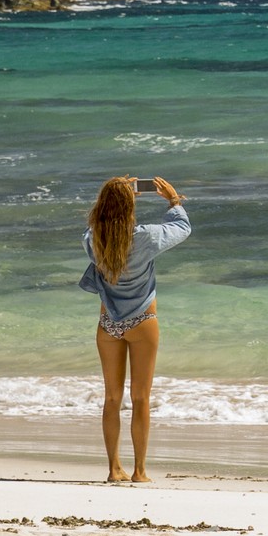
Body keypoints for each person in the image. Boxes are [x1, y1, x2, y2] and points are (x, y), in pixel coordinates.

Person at [81, 175, 189, 483]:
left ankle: (114, 468)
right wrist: (174, 201)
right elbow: (183, 228)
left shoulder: (93, 240)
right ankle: (140, 471)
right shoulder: (146, 238)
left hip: (108, 324)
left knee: (112, 398)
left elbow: (97, 225)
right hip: (142, 321)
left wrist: (117, 198)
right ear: (129, 206)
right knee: (140, 398)